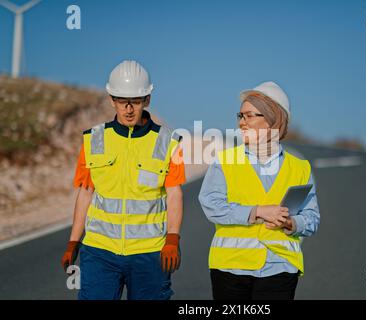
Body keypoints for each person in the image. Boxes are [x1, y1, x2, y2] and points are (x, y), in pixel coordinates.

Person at [61, 60, 185, 300]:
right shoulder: (93, 140)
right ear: (111, 99)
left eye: (136, 102)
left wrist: (173, 238)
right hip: (99, 252)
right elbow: (85, 193)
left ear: (147, 99)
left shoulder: (169, 142)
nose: (129, 109)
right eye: (121, 101)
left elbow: (174, 193)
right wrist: (73, 241)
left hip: (149, 254)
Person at [199, 81, 320, 300]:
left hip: (281, 268)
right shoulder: (225, 160)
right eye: (240, 116)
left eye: (249, 116)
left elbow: (311, 218)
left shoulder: (300, 168)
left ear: (273, 120)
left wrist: (291, 223)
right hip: (230, 268)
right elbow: (211, 206)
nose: (241, 123)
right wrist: (257, 212)